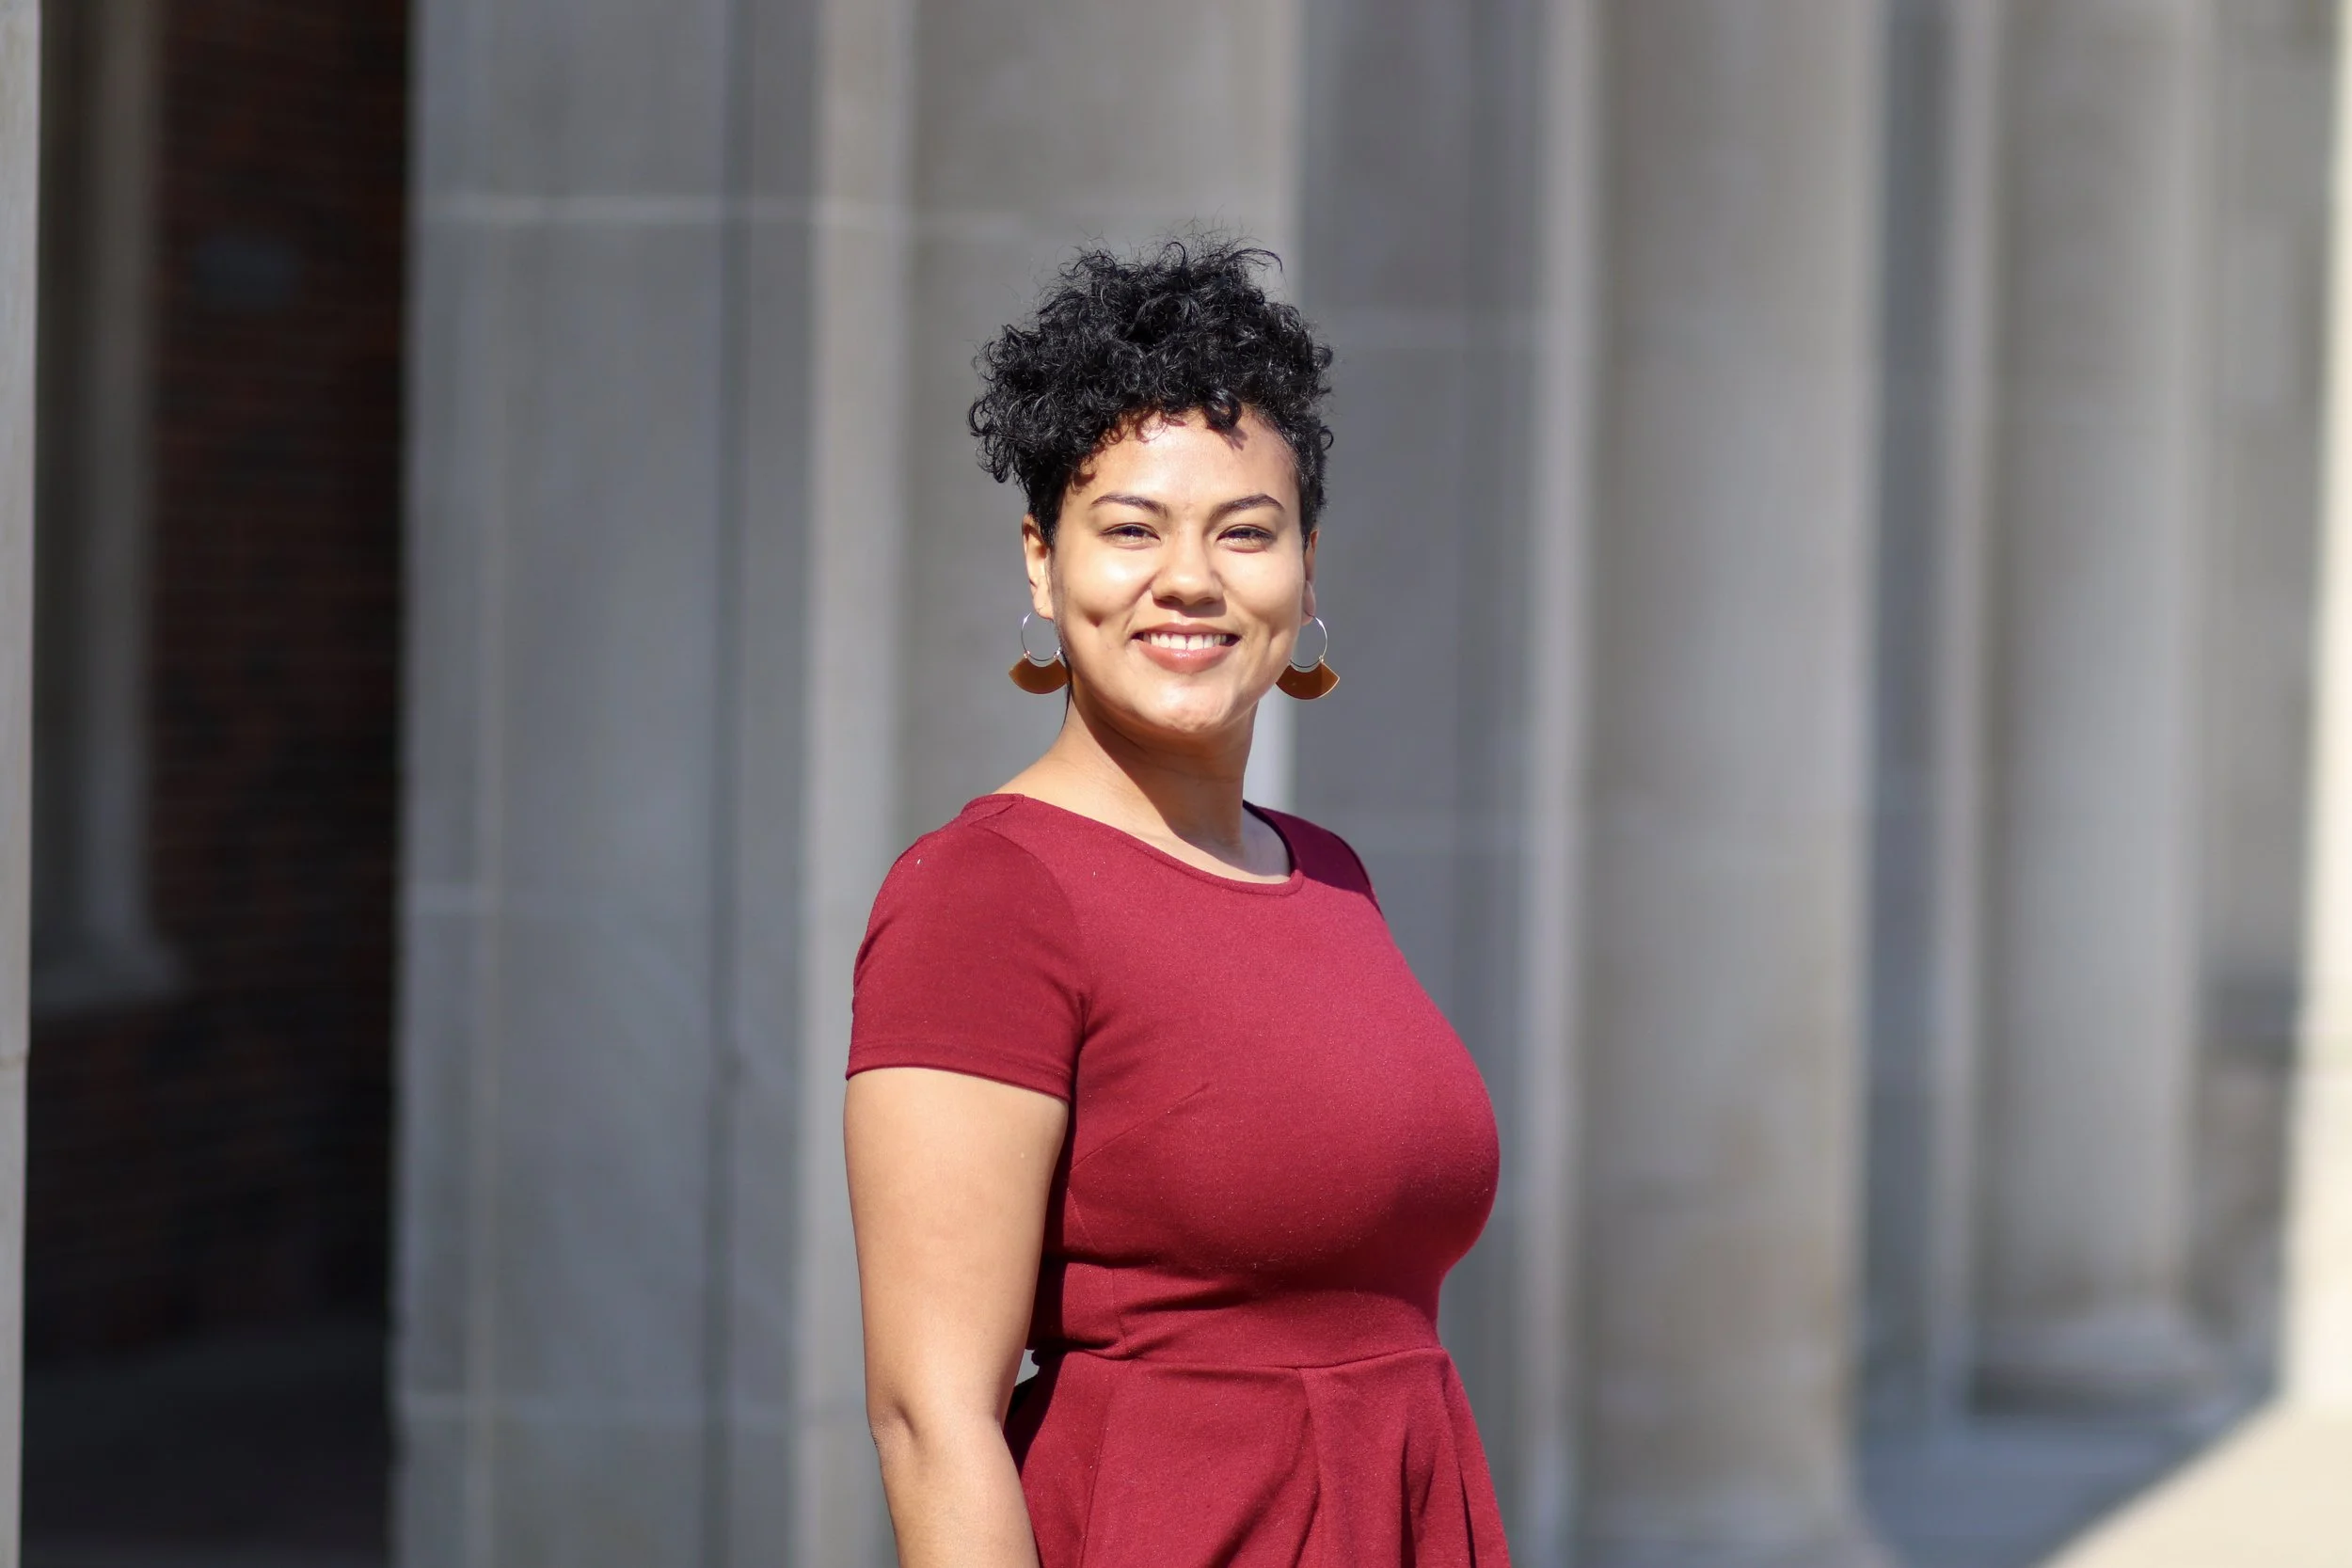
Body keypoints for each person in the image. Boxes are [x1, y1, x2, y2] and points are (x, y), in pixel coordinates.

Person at [844, 238, 1510, 1568]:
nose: (1191, 578)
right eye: (1131, 528)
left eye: (1245, 531)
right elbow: (932, 1417)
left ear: (1307, 570)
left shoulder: (1326, 873)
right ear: (1044, 565)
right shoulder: (987, 895)